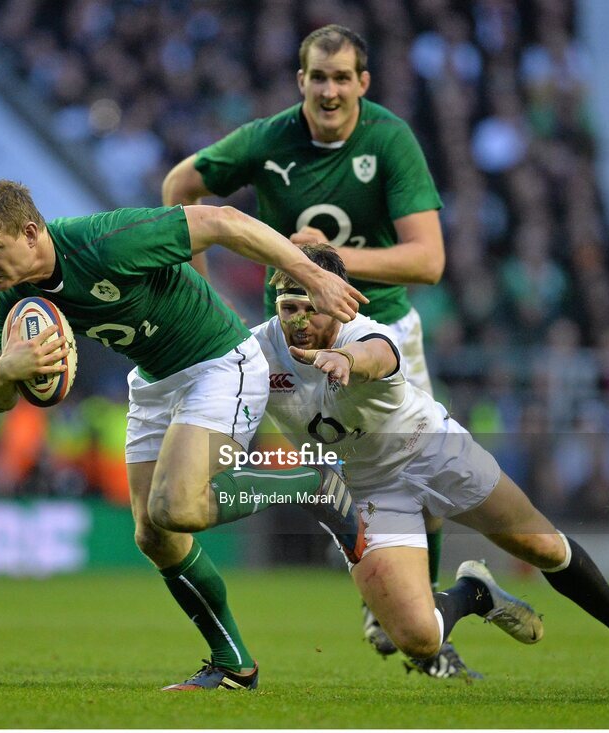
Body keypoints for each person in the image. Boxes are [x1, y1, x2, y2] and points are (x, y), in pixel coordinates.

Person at [0, 180, 370, 691]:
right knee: (153, 535)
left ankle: (309, 483)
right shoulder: (10, 297)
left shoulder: (104, 241)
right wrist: (6, 369)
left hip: (219, 362)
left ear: (31, 231)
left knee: (177, 507)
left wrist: (312, 277)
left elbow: (222, 222)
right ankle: (234, 666)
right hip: (153, 382)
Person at [247, 244, 609, 694]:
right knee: (419, 641)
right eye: (289, 308)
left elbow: (379, 354)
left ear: (339, 299)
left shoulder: (368, 334)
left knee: (545, 549)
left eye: (312, 308)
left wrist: (345, 360)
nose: (299, 321)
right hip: (367, 489)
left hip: (434, 451)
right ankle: (475, 592)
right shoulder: (259, 350)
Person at [162, 23, 461, 674]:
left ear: (363, 82)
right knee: (338, 478)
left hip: (382, 332)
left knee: (431, 491)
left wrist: (319, 260)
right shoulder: (270, 141)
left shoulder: (388, 139)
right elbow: (180, 189)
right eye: (316, 78)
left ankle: (428, 619)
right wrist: (205, 302)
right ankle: (400, 611)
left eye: (340, 78)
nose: (328, 91)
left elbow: (429, 261)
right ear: (301, 81)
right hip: (296, 336)